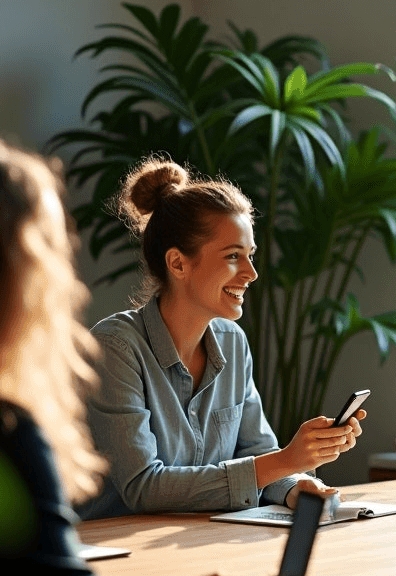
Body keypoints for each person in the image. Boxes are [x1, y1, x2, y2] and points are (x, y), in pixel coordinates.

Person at [0, 140, 320, 576]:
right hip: (134, 564)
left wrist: (295, 478)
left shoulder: (232, 344)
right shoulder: (11, 440)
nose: (64, 288)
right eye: (49, 257)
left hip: (154, 572)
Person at [80, 158, 365, 519]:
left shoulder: (232, 342)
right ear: (178, 263)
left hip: (199, 540)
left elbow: (256, 452)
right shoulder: (115, 348)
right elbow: (144, 487)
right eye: (233, 256)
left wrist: (295, 486)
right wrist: (287, 460)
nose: (251, 273)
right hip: (118, 553)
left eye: (250, 255)